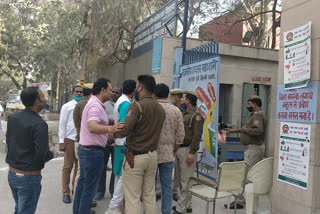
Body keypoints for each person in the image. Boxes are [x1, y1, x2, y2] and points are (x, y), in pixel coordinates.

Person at [114, 75, 165, 214]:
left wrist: (113, 131)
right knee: (149, 196)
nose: (136, 88)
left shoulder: (136, 106)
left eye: (137, 86)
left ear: (141, 87)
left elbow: (125, 130)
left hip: (135, 158)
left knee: (133, 198)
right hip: (152, 156)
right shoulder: (160, 108)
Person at [73, 78, 123, 214]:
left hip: (88, 150)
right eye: (109, 90)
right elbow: (92, 126)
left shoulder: (94, 103)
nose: (111, 93)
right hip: (92, 153)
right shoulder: (95, 105)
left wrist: (108, 135)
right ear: (102, 90)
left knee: (83, 186)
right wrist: (110, 129)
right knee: (88, 188)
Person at [6, 87, 54, 214]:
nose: (44, 99)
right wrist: (52, 153)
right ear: (37, 101)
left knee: (19, 210)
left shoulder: (13, 118)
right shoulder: (39, 124)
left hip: (12, 174)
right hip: (28, 178)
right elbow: (42, 155)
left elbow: (10, 144)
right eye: (42, 97)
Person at [225, 95, 265, 209]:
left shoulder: (258, 115)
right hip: (252, 148)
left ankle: (241, 201)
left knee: (246, 175)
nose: (248, 106)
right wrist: (234, 130)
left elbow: (258, 130)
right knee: (247, 175)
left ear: (255, 104)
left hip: (254, 149)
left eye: (249, 104)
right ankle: (243, 200)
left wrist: (243, 130)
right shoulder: (255, 115)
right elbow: (248, 130)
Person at [105, 80, 136, 214]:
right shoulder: (126, 103)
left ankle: (117, 204)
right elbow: (125, 124)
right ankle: (114, 205)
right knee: (123, 175)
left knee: (118, 173)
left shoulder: (122, 100)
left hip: (119, 142)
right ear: (134, 90)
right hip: (123, 143)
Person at [154, 84, 185, 214]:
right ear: (168, 95)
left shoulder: (151, 108)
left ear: (154, 94)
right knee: (167, 186)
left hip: (151, 153)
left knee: (149, 186)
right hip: (168, 154)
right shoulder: (176, 110)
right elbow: (180, 136)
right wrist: (173, 149)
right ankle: (166, 211)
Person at [173, 91, 204, 214]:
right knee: (182, 180)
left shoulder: (196, 116)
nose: (181, 100)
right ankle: (188, 205)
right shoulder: (185, 114)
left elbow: (197, 136)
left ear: (189, 101)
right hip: (180, 149)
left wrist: (192, 152)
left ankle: (181, 209)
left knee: (186, 181)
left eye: (183, 98)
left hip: (187, 150)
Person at [94, 87, 122, 201]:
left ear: (120, 94)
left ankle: (113, 191)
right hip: (105, 139)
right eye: (113, 91)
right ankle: (100, 191)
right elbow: (102, 120)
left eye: (116, 92)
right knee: (102, 165)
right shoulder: (104, 104)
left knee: (116, 165)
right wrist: (114, 121)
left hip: (118, 140)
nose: (114, 94)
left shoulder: (123, 104)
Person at [59, 86, 83, 204]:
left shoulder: (85, 105)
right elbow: (62, 124)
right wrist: (61, 140)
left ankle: (76, 190)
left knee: (79, 168)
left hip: (81, 140)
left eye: (80, 92)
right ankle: (65, 192)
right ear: (73, 93)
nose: (79, 94)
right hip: (69, 140)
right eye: (77, 92)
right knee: (67, 167)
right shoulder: (67, 106)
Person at [73, 83, 93, 193]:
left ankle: (80, 198)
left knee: (82, 172)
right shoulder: (87, 104)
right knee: (82, 173)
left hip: (80, 140)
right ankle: (79, 198)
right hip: (84, 142)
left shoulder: (81, 104)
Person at [169, 88, 185, 202]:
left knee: (177, 171)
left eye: (172, 96)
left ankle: (174, 191)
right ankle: (160, 191)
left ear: (176, 97)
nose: (170, 98)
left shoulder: (183, 110)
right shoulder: (170, 108)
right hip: (169, 143)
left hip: (179, 144)